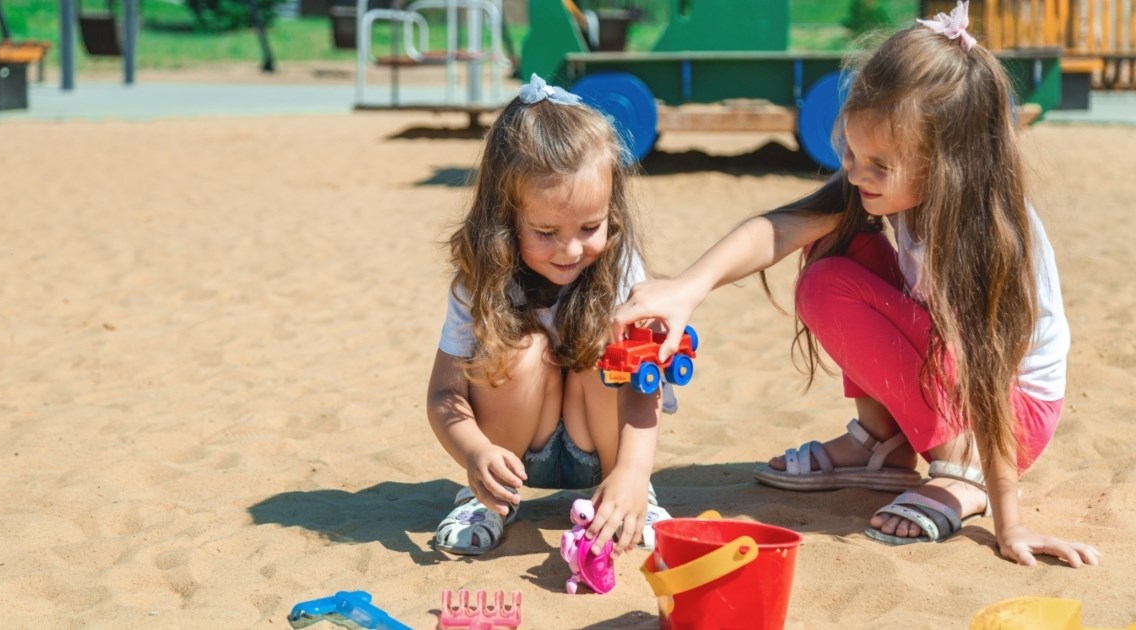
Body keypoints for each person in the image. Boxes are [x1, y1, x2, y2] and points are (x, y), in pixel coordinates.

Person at [611, 3, 1100, 567]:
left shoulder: (986, 238)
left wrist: (1006, 519)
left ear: (945, 164)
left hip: (1009, 417)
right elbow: (781, 227)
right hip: (953, 374)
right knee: (829, 246)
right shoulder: (889, 184)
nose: (856, 173)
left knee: (831, 285)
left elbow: (989, 373)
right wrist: (686, 288)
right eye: (849, 151)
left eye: (878, 164)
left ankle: (960, 473)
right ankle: (882, 444)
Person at [426, 74, 672, 557]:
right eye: (545, 231)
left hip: (601, 446)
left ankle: (626, 497)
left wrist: (633, 474)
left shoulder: (620, 270)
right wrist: (475, 454)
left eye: (590, 226)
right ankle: (487, 502)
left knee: (606, 343)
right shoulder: (478, 280)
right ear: (505, 216)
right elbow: (443, 392)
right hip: (511, 454)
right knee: (525, 347)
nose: (572, 249)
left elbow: (646, 387)